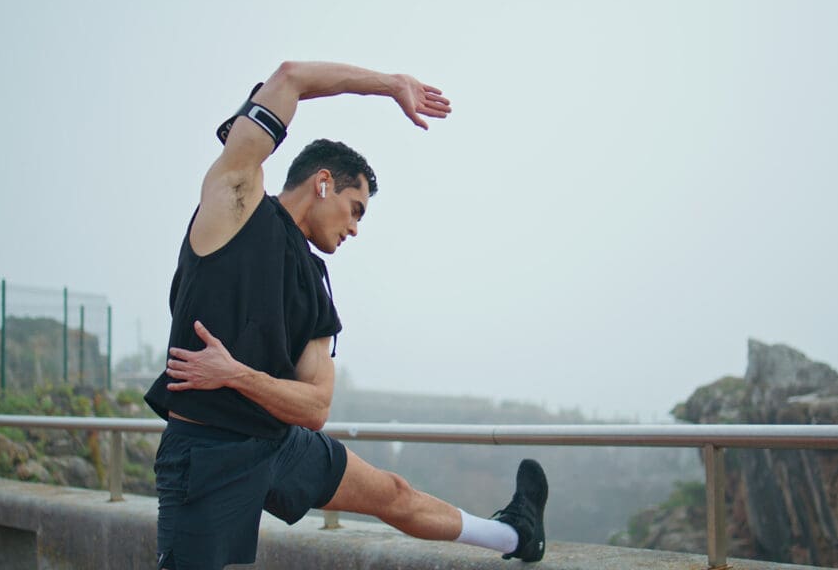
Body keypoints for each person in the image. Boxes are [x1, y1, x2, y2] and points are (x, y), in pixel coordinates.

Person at [144, 61, 548, 569]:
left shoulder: (315, 284)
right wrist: (392, 85)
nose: (355, 228)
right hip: (205, 453)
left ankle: (515, 534)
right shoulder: (236, 201)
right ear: (323, 183)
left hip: (276, 444)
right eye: (356, 208)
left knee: (394, 493)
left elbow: (315, 408)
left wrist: (236, 375)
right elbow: (289, 77)